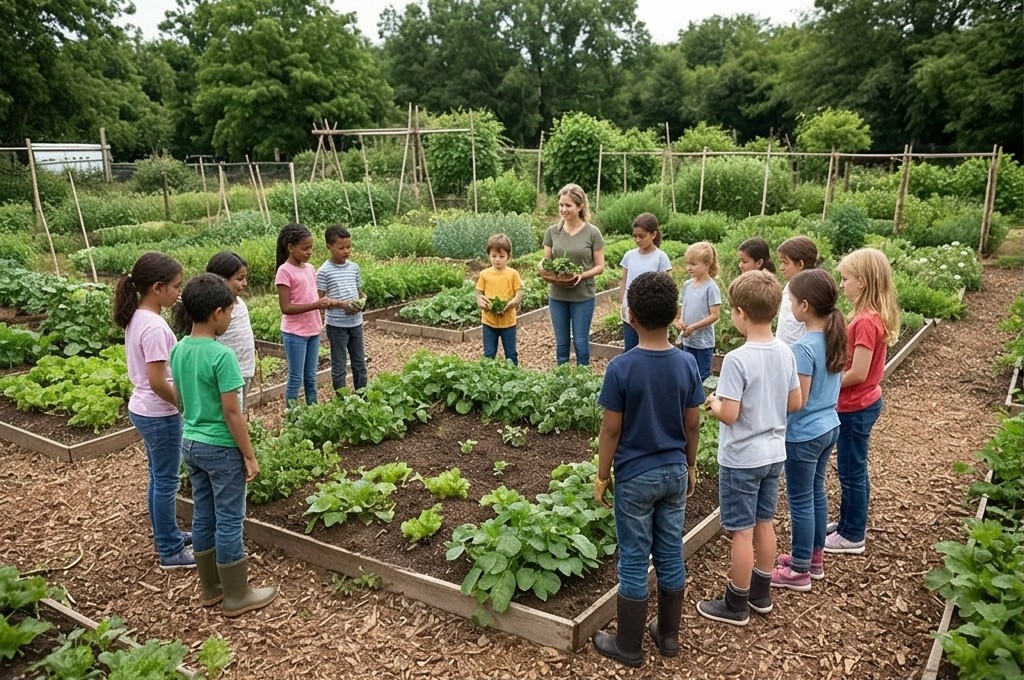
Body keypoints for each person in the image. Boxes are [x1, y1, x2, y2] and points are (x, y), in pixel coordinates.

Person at [591, 272, 703, 667]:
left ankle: (629, 645)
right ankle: (668, 637)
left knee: (635, 558)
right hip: (674, 470)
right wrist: (690, 465)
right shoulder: (688, 364)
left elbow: (611, 429)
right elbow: (693, 424)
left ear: (630, 316)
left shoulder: (622, 367)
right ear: (675, 313)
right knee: (671, 552)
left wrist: (602, 476)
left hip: (636, 476)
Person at [170, 273, 277, 617]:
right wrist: (249, 454)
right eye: (230, 311)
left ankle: (211, 588)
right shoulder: (222, 356)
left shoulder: (180, 348)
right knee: (230, 519)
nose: (231, 317)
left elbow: (181, 400)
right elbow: (233, 414)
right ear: (217, 312)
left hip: (191, 443)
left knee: (203, 512)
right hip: (220, 447)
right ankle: (237, 595)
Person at [697, 270, 801, 626]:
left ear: (740, 312)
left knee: (741, 531)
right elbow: (795, 401)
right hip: (775, 453)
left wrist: (713, 404)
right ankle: (761, 594)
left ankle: (735, 603)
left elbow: (731, 413)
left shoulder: (737, 360)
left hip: (742, 458)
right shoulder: (785, 352)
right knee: (764, 523)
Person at [113, 252, 194, 570]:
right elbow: (159, 381)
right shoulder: (155, 326)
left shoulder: (138, 317)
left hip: (143, 407)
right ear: (157, 287)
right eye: (176, 286)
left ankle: (168, 534)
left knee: (158, 478)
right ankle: (170, 550)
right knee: (165, 481)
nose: (179, 292)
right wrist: (183, 405)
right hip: (158, 412)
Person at [772, 269, 846, 591]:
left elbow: (797, 401)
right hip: (829, 425)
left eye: (790, 301)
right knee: (816, 493)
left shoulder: (803, 347)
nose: (788, 306)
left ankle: (799, 569)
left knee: (800, 499)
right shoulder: (832, 338)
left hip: (804, 433)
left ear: (804, 306)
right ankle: (814, 559)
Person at [826, 247, 900, 555]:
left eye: (846, 279)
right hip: (859, 403)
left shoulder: (866, 322)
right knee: (852, 468)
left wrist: (827, 386)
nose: (841, 285)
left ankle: (853, 534)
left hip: (856, 407)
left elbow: (859, 371)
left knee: (852, 471)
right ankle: (847, 523)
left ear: (864, 282)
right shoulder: (867, 317)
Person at [540, 183, 605, 366]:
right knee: (561, 343)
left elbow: (600, 266)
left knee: (580, 341)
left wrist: (582, 275)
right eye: (561, 205)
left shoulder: (592, 233)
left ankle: (582, 377)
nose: (563, 209)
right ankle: (562, 379)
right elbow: (548, 263)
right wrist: (544, 268)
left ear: (580, 206)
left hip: (583, 295)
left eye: (568, 205)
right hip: (558, 295)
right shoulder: (552, 232)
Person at [275, 223, 337, 406]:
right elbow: (285, 307)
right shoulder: (284, 271)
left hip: (313, 330)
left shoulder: (309, 268)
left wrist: (326, 303)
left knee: (311, 378)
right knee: (296, 378)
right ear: (291, 247)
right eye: (305, 248)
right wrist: (316, 305)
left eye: (311, 248)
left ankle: (313, 413)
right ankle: (293, 418)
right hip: (295, 333)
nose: (309, 252)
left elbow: (312, 295)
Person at [317, 225, 368, 392]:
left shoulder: (354, 268)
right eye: (341, 247)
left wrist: (362, 301)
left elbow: (360, 292)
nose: (346, 251)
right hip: (337, 326)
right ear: (329, 247)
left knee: (359, 362)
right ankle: (342, 400)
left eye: (349, 247)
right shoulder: (324, 271)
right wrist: (342, 304)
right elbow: (320, 299)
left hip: (355, 322)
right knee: (339, 365)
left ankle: (362, 395)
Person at [205, 251, 256, 398]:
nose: (245, 283)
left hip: (245, 370)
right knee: (229, 415)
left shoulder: (239, 303)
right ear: (221, 280)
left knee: (239, 411)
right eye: (240, 279)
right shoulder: (216, 311)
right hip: (226, 376)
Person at [619, 213, 672, 352]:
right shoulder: (629, 256)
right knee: (631, 349)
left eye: (641, 236)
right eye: (635, 236)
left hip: (651, 314)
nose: (637, 240)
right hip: (630, 311)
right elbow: (623, 281)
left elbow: (667, 287)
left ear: (653, 235)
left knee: (651, 348)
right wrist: (623, 303)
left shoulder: (661, 257)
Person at [674, 241, 721, 382]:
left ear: (707, 264)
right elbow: (683, 307)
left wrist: (694, 327)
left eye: (693, 264)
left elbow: (715, 315)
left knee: (701, 375)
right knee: (687, 372)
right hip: (688, 339)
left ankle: (699, 402)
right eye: (688, 263)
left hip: (703, 342)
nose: (689, 268)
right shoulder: (687, 285)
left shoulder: (711, 287)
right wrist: (679, 321)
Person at [475, 233, 524, 365]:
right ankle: (488, 378)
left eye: (501, 256)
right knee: (489, 353)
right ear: (488, 256)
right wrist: (480, 301)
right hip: (489, 321)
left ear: (509, 256)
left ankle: (513, 377)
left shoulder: (513, 274)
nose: (497, 259)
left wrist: (514, 302)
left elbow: (519, 292)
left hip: (508, 321)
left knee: (511, 354)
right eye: (494, 256)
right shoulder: (484, 274)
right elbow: (479, 293)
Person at [776, 236, 819, 346]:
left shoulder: (812, 289)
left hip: (800, 351)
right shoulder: (789, 285)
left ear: (800, 264)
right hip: (783, 350)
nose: (781, 267)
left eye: (785, 263)